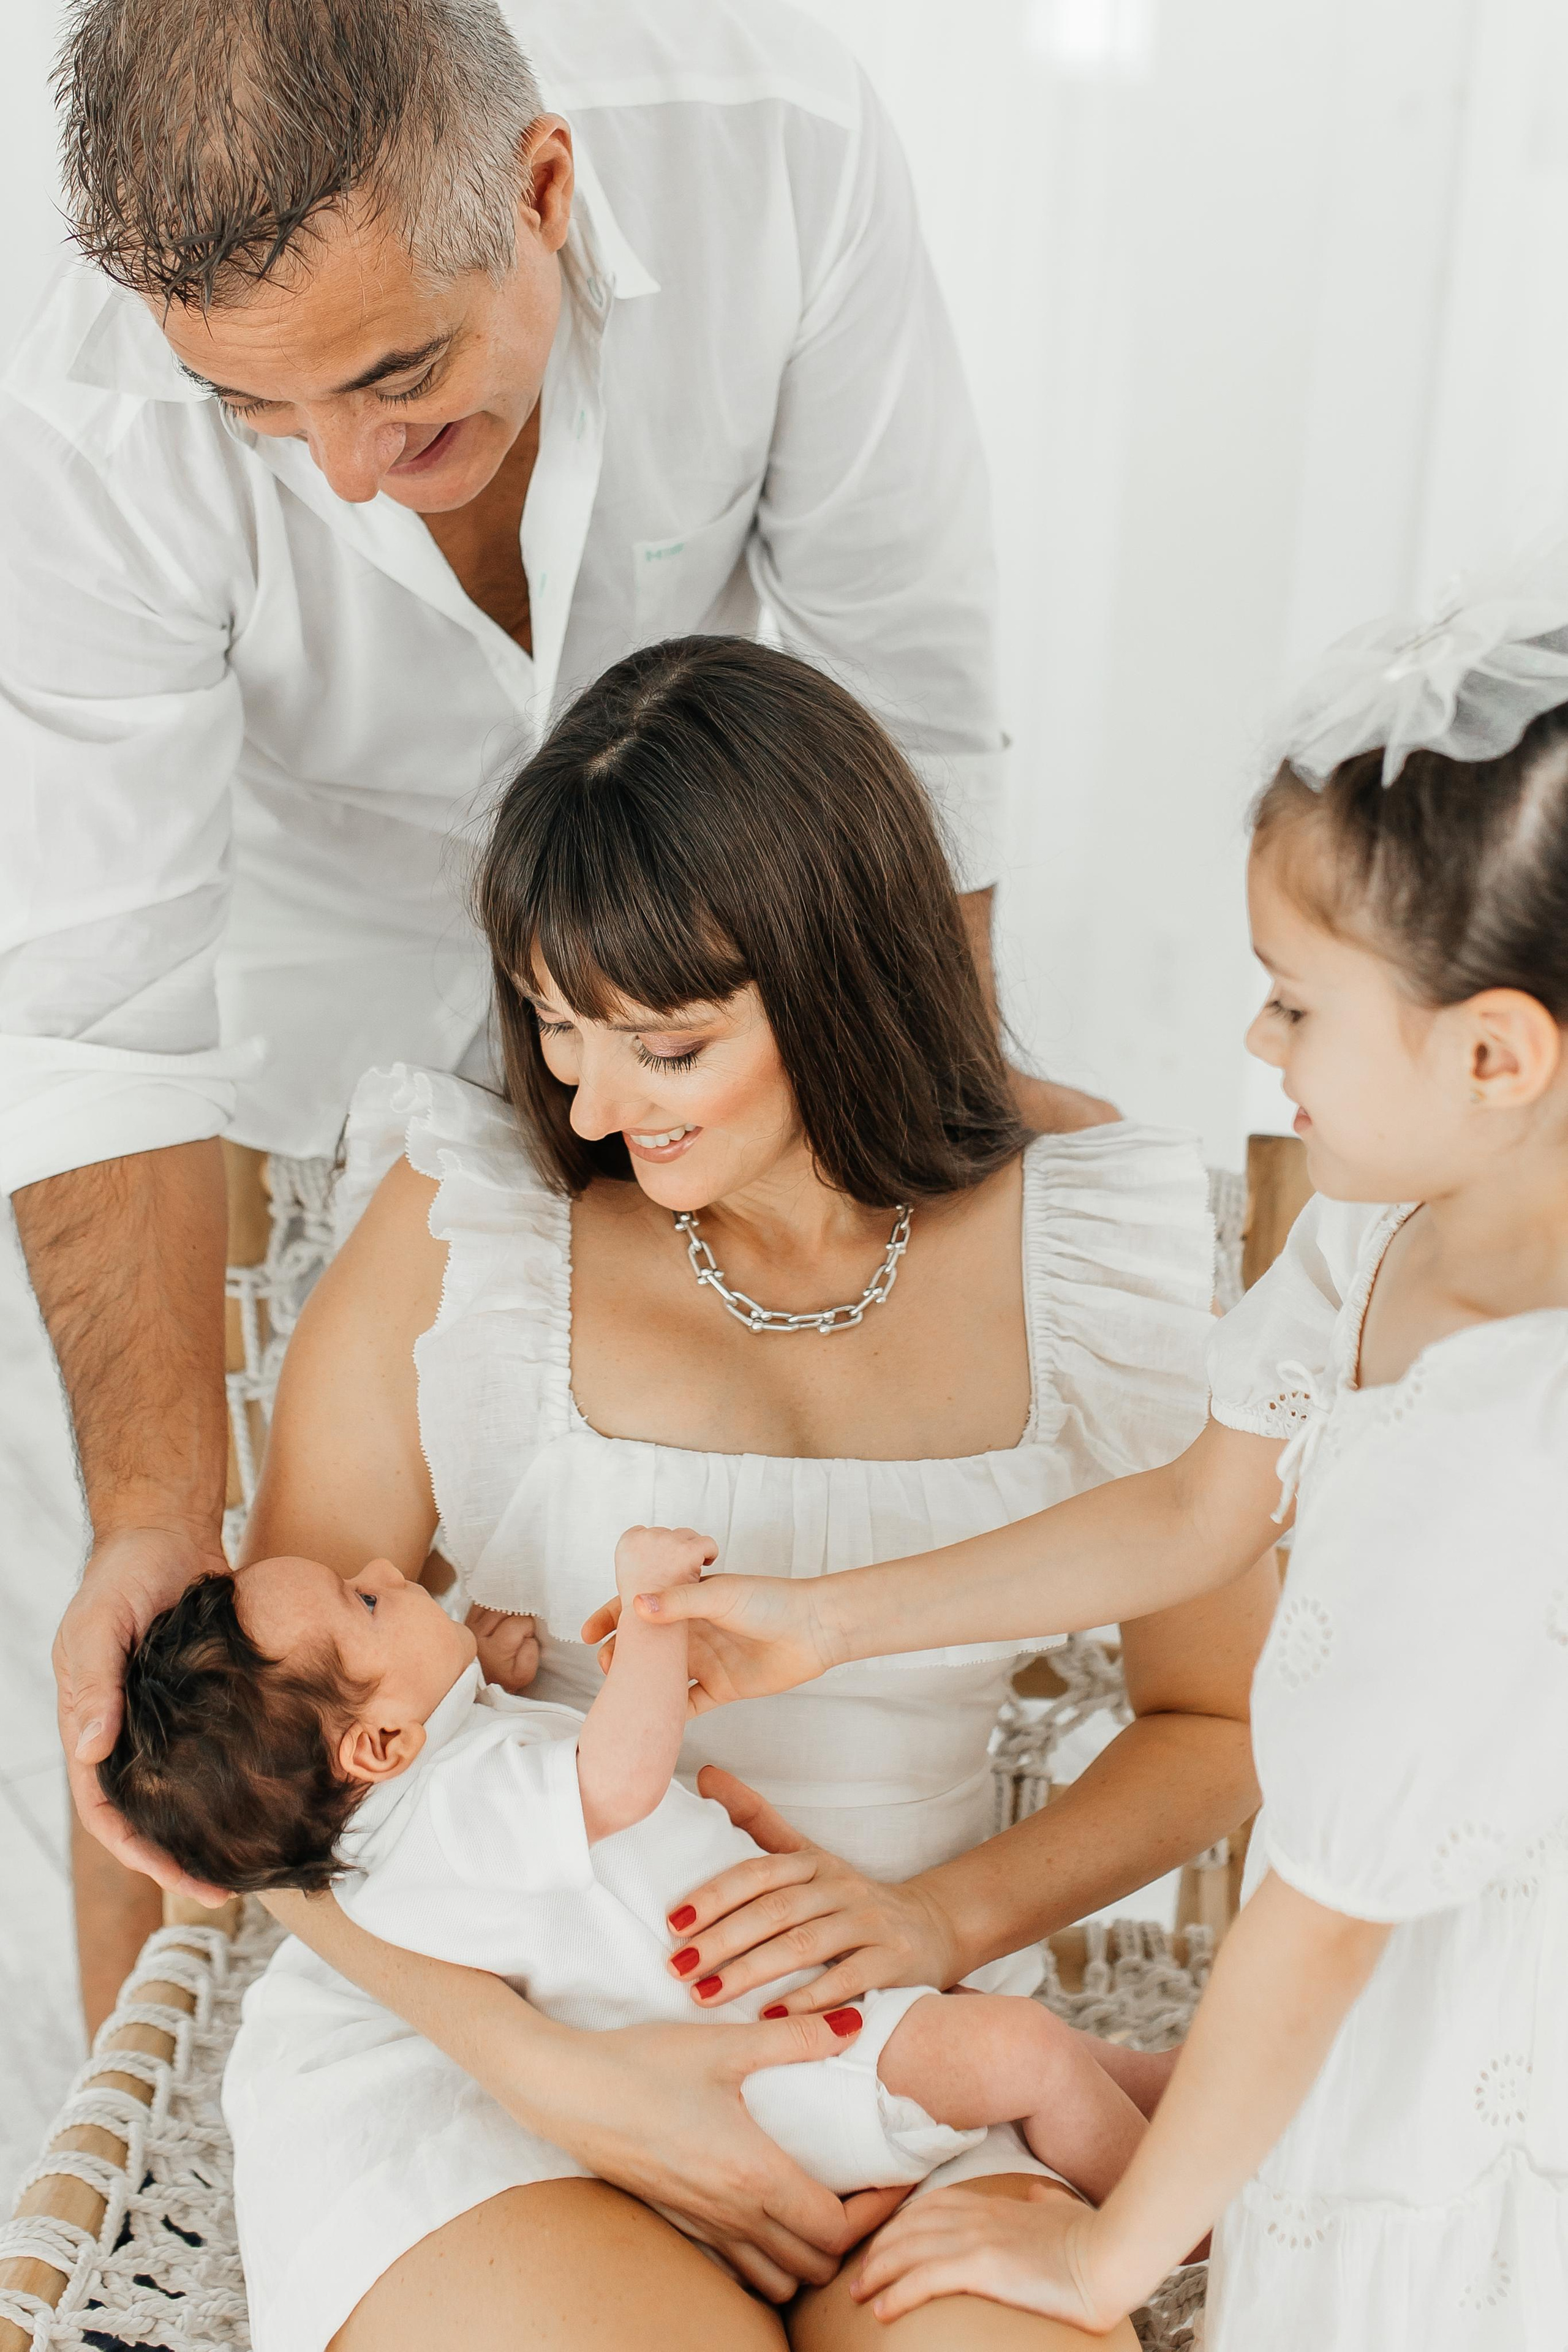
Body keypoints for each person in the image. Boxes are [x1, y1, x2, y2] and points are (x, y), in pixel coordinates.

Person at [0, 0, 1106, 2021]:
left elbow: (916, 733)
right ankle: (129, 2259)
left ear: (543, 190)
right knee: (153, 1682)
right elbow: (102, 1011)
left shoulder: (778, 149)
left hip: (670, 937)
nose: (338, 477)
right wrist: (153, 1524)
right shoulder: (71, 401)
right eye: (258, 418)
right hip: (275, 977)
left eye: (397, 377)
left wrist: (909, 1159)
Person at [219, 635, 1277, 2344]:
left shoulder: (1091, 1242)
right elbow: (265, 1778)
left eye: (666, 1044)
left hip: (908, 2041)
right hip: (490, 2052)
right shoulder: (468, 1217)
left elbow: (1217, 1723)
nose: (589, 1098)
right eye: (558, 1027)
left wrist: (936, 1918)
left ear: (841, 975)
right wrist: (555, 2073)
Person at [639, 590, 1568, 2345]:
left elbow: (1321, 1915)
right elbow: (1196, 1510)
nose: (1256, 1048)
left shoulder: (1520, 1440)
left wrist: (1110, 2257)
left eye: (1296, 1008)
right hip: (1366, 1965)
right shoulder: (1388, 1239)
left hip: (1447, 2004)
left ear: (1495, 1053)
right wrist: (835, 1621)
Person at [106, 1528, 1183, 2352]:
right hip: (777, 2058)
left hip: (756, 2017)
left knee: (1034, 2055)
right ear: (380, 1742)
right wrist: (653, 1611)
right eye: (370, 1601)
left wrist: (472, 1673)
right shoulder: (462, 1802)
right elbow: (609, 1782)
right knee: (1024, 2056)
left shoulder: (401, 1825)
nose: (391, 1565)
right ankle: (1171, 2222)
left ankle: (1154, 2096)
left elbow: (502, 1845)